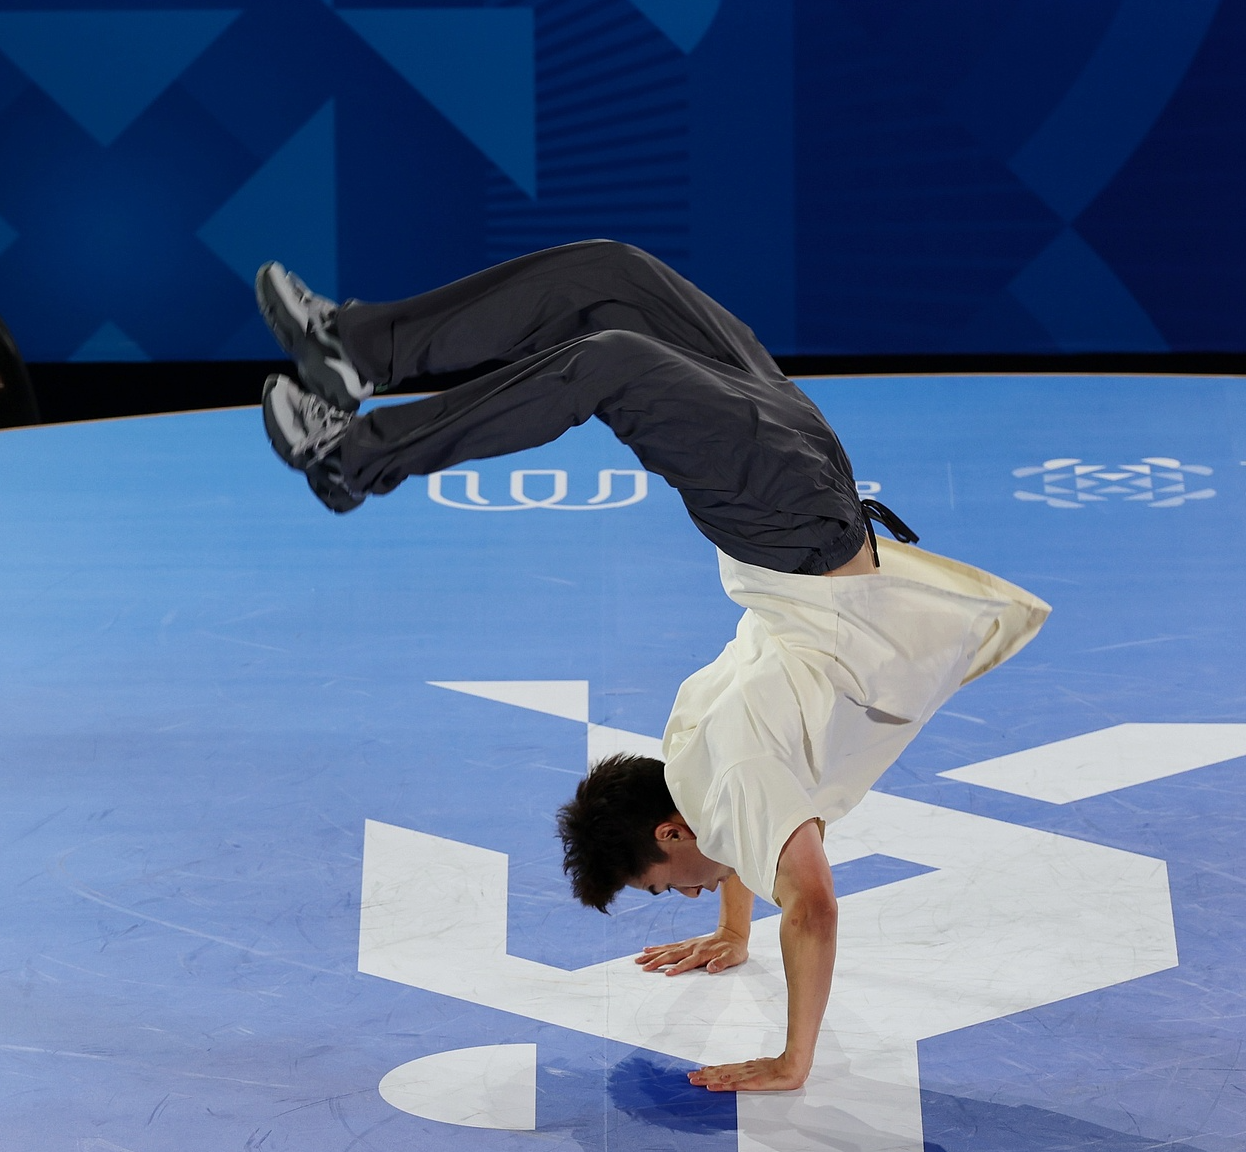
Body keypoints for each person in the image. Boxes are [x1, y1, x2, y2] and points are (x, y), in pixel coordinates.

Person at [255, 240, 1050, 1091]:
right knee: (613, 356)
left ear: (672, 829)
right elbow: (784, 875)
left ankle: (355, 389)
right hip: (800, 524)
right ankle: (360, 439)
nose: (691, 894)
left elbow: (780, 865)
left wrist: (767, 995)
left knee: (610, 282)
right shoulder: (714, 760)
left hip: (790, 529)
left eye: (670, 887)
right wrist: (769, 998)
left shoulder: (725, 767)